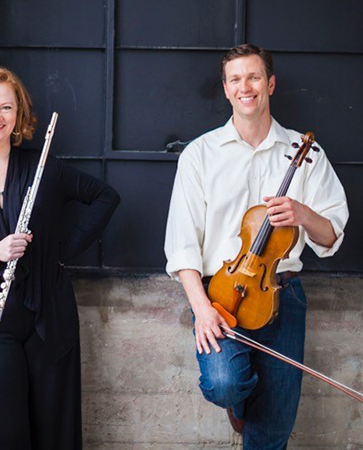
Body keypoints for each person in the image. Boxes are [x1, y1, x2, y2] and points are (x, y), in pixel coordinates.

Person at [164, 44, 349, 449]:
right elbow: (181, 246)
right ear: (227, 90)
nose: (245, 86)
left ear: (270, 83)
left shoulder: (306, 152)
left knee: (274, 429)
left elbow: (331, 235)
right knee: (225, 383)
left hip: (283, 294)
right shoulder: (199, 155)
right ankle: (239, 405)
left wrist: (302, 213)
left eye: (253, 77)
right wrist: (202, 313)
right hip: (221, 295)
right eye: (235, 79)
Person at [0, 67, 120, 449]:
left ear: (18, 114)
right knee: (8, 436)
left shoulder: (43, 167)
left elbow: (106, 196)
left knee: (55, 432)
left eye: (6, 107)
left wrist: (62, 251)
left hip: (48, 315)